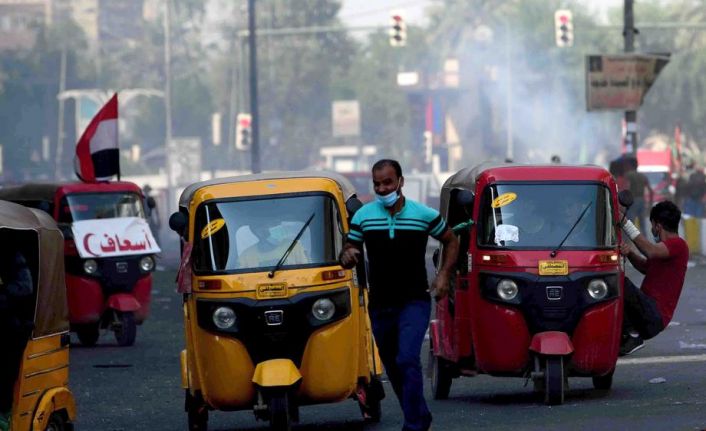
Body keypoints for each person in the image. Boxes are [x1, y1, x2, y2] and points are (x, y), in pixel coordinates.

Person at [340, 159, 459, 431]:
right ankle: (418, 415)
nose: (383, 189)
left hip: (414, 300)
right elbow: (348, 251)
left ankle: (413, 425)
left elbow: (451, 240)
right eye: (377, 184)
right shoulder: (363, 217)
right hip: (380, 303)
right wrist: (347, 255)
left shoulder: (424, 215)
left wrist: (443, 275)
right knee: (393, 366)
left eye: (388, 183)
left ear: (401, 182)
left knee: (407, 358)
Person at [618, 200, 689, 356]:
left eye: (652, 226)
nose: (652, 230)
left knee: (617, 281)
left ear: (657, 226)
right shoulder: (664, 250)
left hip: (654, 314)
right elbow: (645, 267)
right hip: (647, 310)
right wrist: (629, 253)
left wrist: (624, 222)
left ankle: (633, 335)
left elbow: (650, 251)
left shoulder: (678, 245)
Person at [0, 249, 34, 431]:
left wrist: (3, 295)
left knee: (5, 373)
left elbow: (25, 287)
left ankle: (4, 416)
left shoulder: (11, 257)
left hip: (8, 327)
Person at [238, 219, 308, 269]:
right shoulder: (246, 256)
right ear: (258, 231)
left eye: (277, 224)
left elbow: (307, 273)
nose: (278, 227)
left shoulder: (294, 246)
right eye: (273, 224)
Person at [624, 156, 654, 230]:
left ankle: (631, 241)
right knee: (643, 225)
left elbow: (627, 188)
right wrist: (650, 204)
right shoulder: (643, 176)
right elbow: (651, 191)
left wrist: (624, 203)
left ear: (630, 165)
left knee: (630, 226)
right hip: (642, 201)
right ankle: (644, 240)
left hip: (632, 201)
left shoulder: (628, 175)